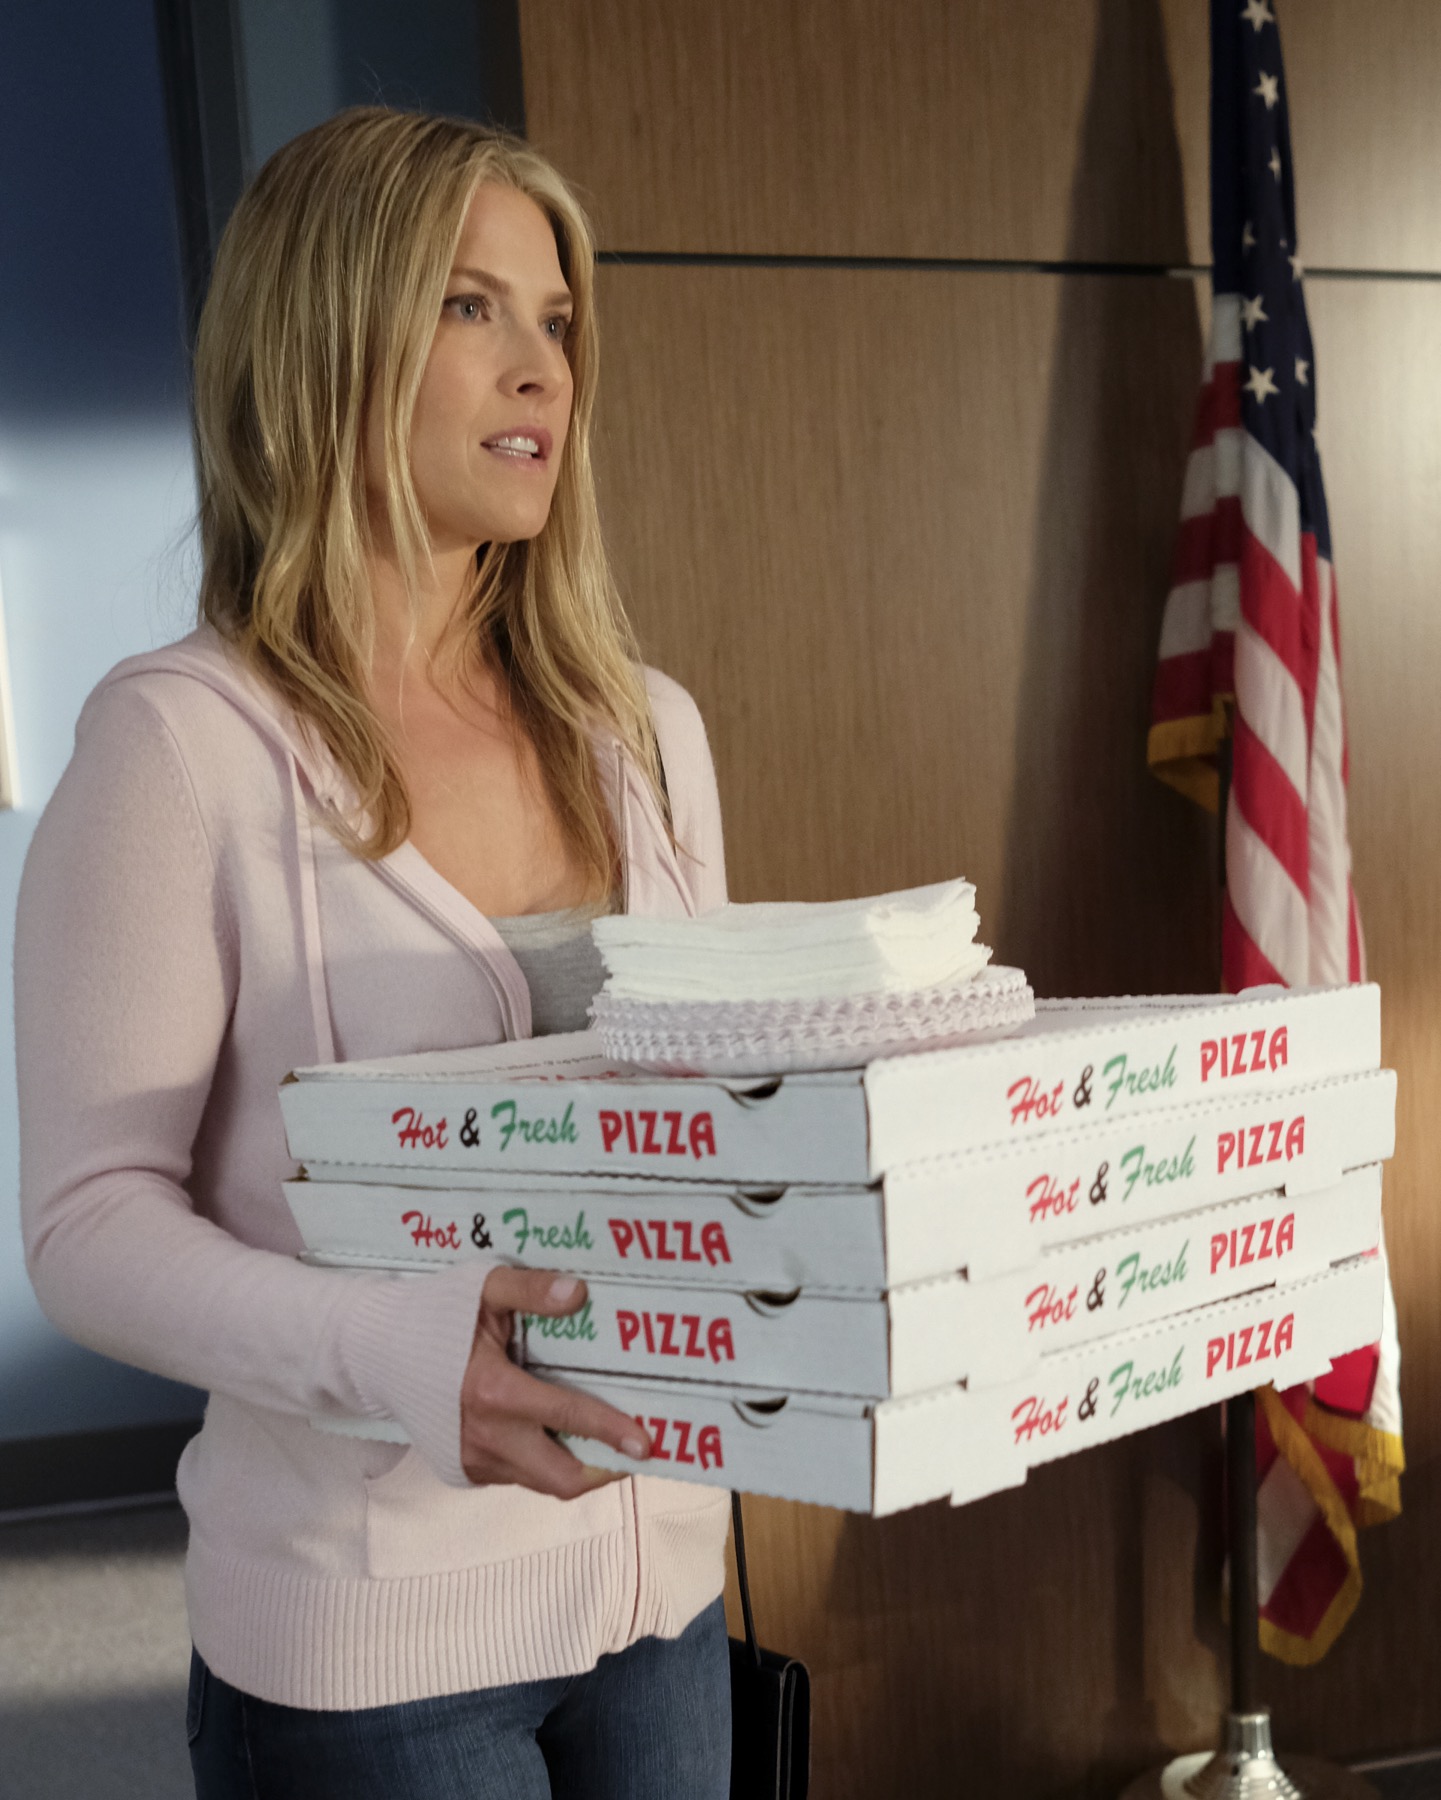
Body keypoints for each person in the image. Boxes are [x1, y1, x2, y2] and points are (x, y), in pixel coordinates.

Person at [16, 107, 732, 1799]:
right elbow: (88, 1225)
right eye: (469, 307)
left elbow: (707, 1122)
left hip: (666, 1602)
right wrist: (394, 1351)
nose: (542, 369)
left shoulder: (645, 729)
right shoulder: (179, 746)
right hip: (373, 1656)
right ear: (322, 341)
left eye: (556, 319)